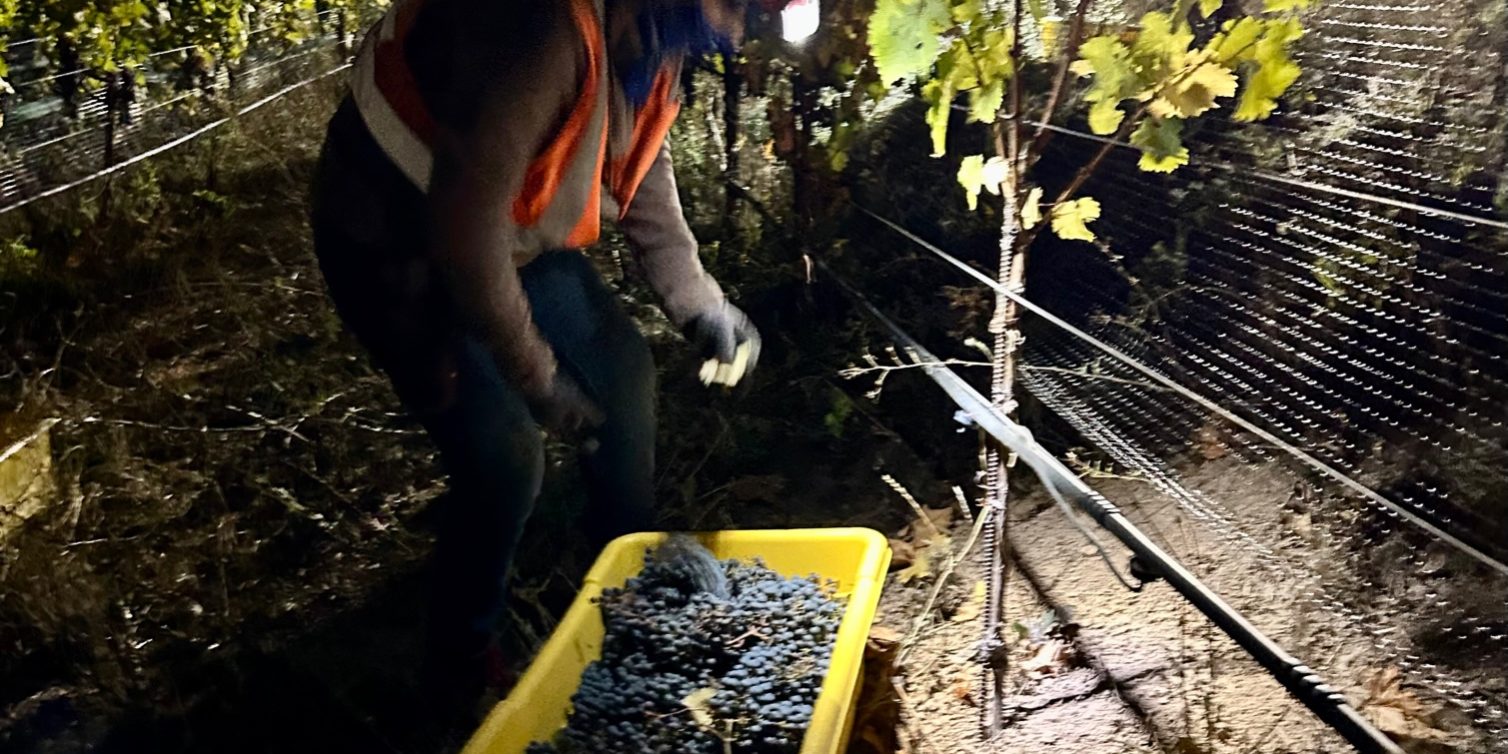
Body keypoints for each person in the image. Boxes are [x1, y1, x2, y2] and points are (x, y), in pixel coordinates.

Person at [309, 0, 782, 713]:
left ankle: (634, 593)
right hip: (393, 239)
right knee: (502, 457)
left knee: (623, 375)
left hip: (501, 231)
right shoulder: (536, 29)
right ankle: (459, 664)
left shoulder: (649, 32)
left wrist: (700, 303)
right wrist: (537, 377)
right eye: (741, 7)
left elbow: (639, 156)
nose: (742, 31)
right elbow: (466, 240)